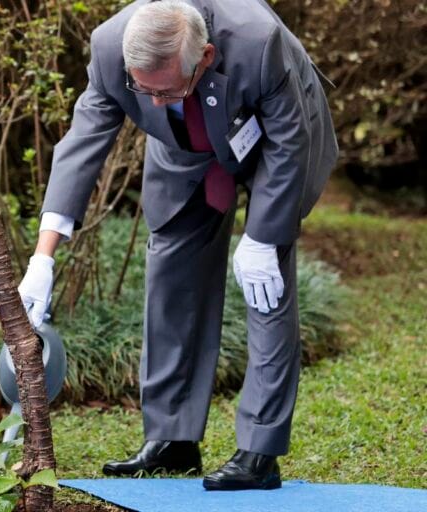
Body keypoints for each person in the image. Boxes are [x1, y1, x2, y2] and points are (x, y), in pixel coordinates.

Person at [18, 0, 336, 491]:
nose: (152, 100)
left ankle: (259, 450)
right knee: (170, 276)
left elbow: (289, 140)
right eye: (141, 89)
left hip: (277, 139)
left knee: (265, 282)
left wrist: (262, 238)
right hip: (183, 147)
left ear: (205, 58)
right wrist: (44, 256)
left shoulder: (258, 44)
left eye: (162, 90)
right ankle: (172, 439)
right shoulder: (109, 46)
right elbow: (82, 145)